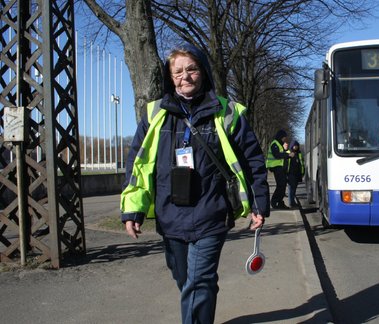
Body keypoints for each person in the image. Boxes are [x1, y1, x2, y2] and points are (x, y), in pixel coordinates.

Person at [120, 43, 269, 324]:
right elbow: (137, 166)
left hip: (211, 211)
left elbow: (252, 161)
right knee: (186, 279)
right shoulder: (154, 114)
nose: (185, 77)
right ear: (169, 76)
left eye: (191, 69)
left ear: (203, 72)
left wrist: (259, 204)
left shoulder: (227, 113)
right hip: (170, 213)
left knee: (199, 280)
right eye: (177, 72)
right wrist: (133, 210)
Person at [266, 130, 293, 209]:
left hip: (280, 168)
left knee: (282, 185)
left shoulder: (279, 144)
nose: (285, 139)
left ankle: (280, 202)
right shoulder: (275, 143)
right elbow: (277, 155)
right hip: (276, 167)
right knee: (281, 185)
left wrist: (285, 150)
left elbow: (281, 154)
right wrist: (288, 155)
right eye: (284, 137)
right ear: (281, 136)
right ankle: (274, 202)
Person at [286, 140, 304, 208]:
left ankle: (293, 202)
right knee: (291, 189)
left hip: (297, 174)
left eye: (296, 146)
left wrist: (302, 172)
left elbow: (301, 163)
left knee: (294, 188)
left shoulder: (299, 153)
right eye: (294, 146)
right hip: (290, 174)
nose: (296, 147)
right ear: (292, 146)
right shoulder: (288, 152)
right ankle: (291, 203)